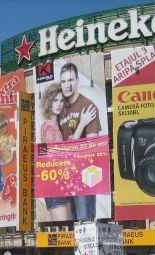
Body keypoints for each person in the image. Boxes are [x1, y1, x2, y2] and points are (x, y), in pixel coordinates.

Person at [59, 62, 100, 220]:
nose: (67, 85)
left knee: (85, 221)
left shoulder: (87, 106)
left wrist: (70, 143)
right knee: (71, 223)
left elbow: (92, 147)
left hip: (84, 175)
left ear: (77, 81)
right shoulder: (61, 110)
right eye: (63, 81)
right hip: (64, 175)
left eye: (70, 80)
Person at [40, 83, 70, 221]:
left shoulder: (56, 125)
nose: (59, 104)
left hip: (60, 181)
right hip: (54, 182)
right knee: (62, 230)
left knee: (66, 228)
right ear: (48, 102)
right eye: (55, 100)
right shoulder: (48, 126)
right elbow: (47, 156)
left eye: (61, 100)